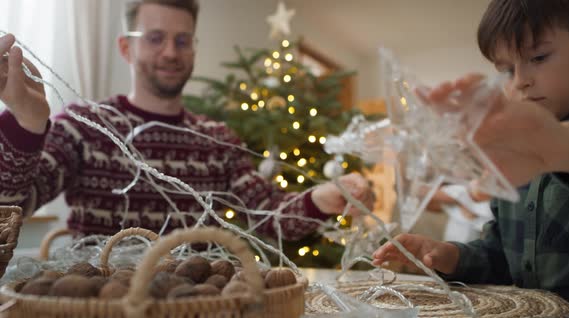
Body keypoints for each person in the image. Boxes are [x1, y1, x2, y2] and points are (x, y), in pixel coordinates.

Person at [0, 0, 373, 240]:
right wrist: (26, 123)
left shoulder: (216, 139)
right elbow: (12, 210)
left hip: (197, 310)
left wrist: (322, 198)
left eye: (182, 41)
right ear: (126, 47)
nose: (170, 52)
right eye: (155, 38)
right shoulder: (84, 127)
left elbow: (267, 215)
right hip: (101, 312)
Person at [373, 0, 569, 307]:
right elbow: (500, 255)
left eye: (539, 57)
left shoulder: (560, 142)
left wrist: (548, 143)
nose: (519, 81)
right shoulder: (510, 154)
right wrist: (451, 256)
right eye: (506, 69)